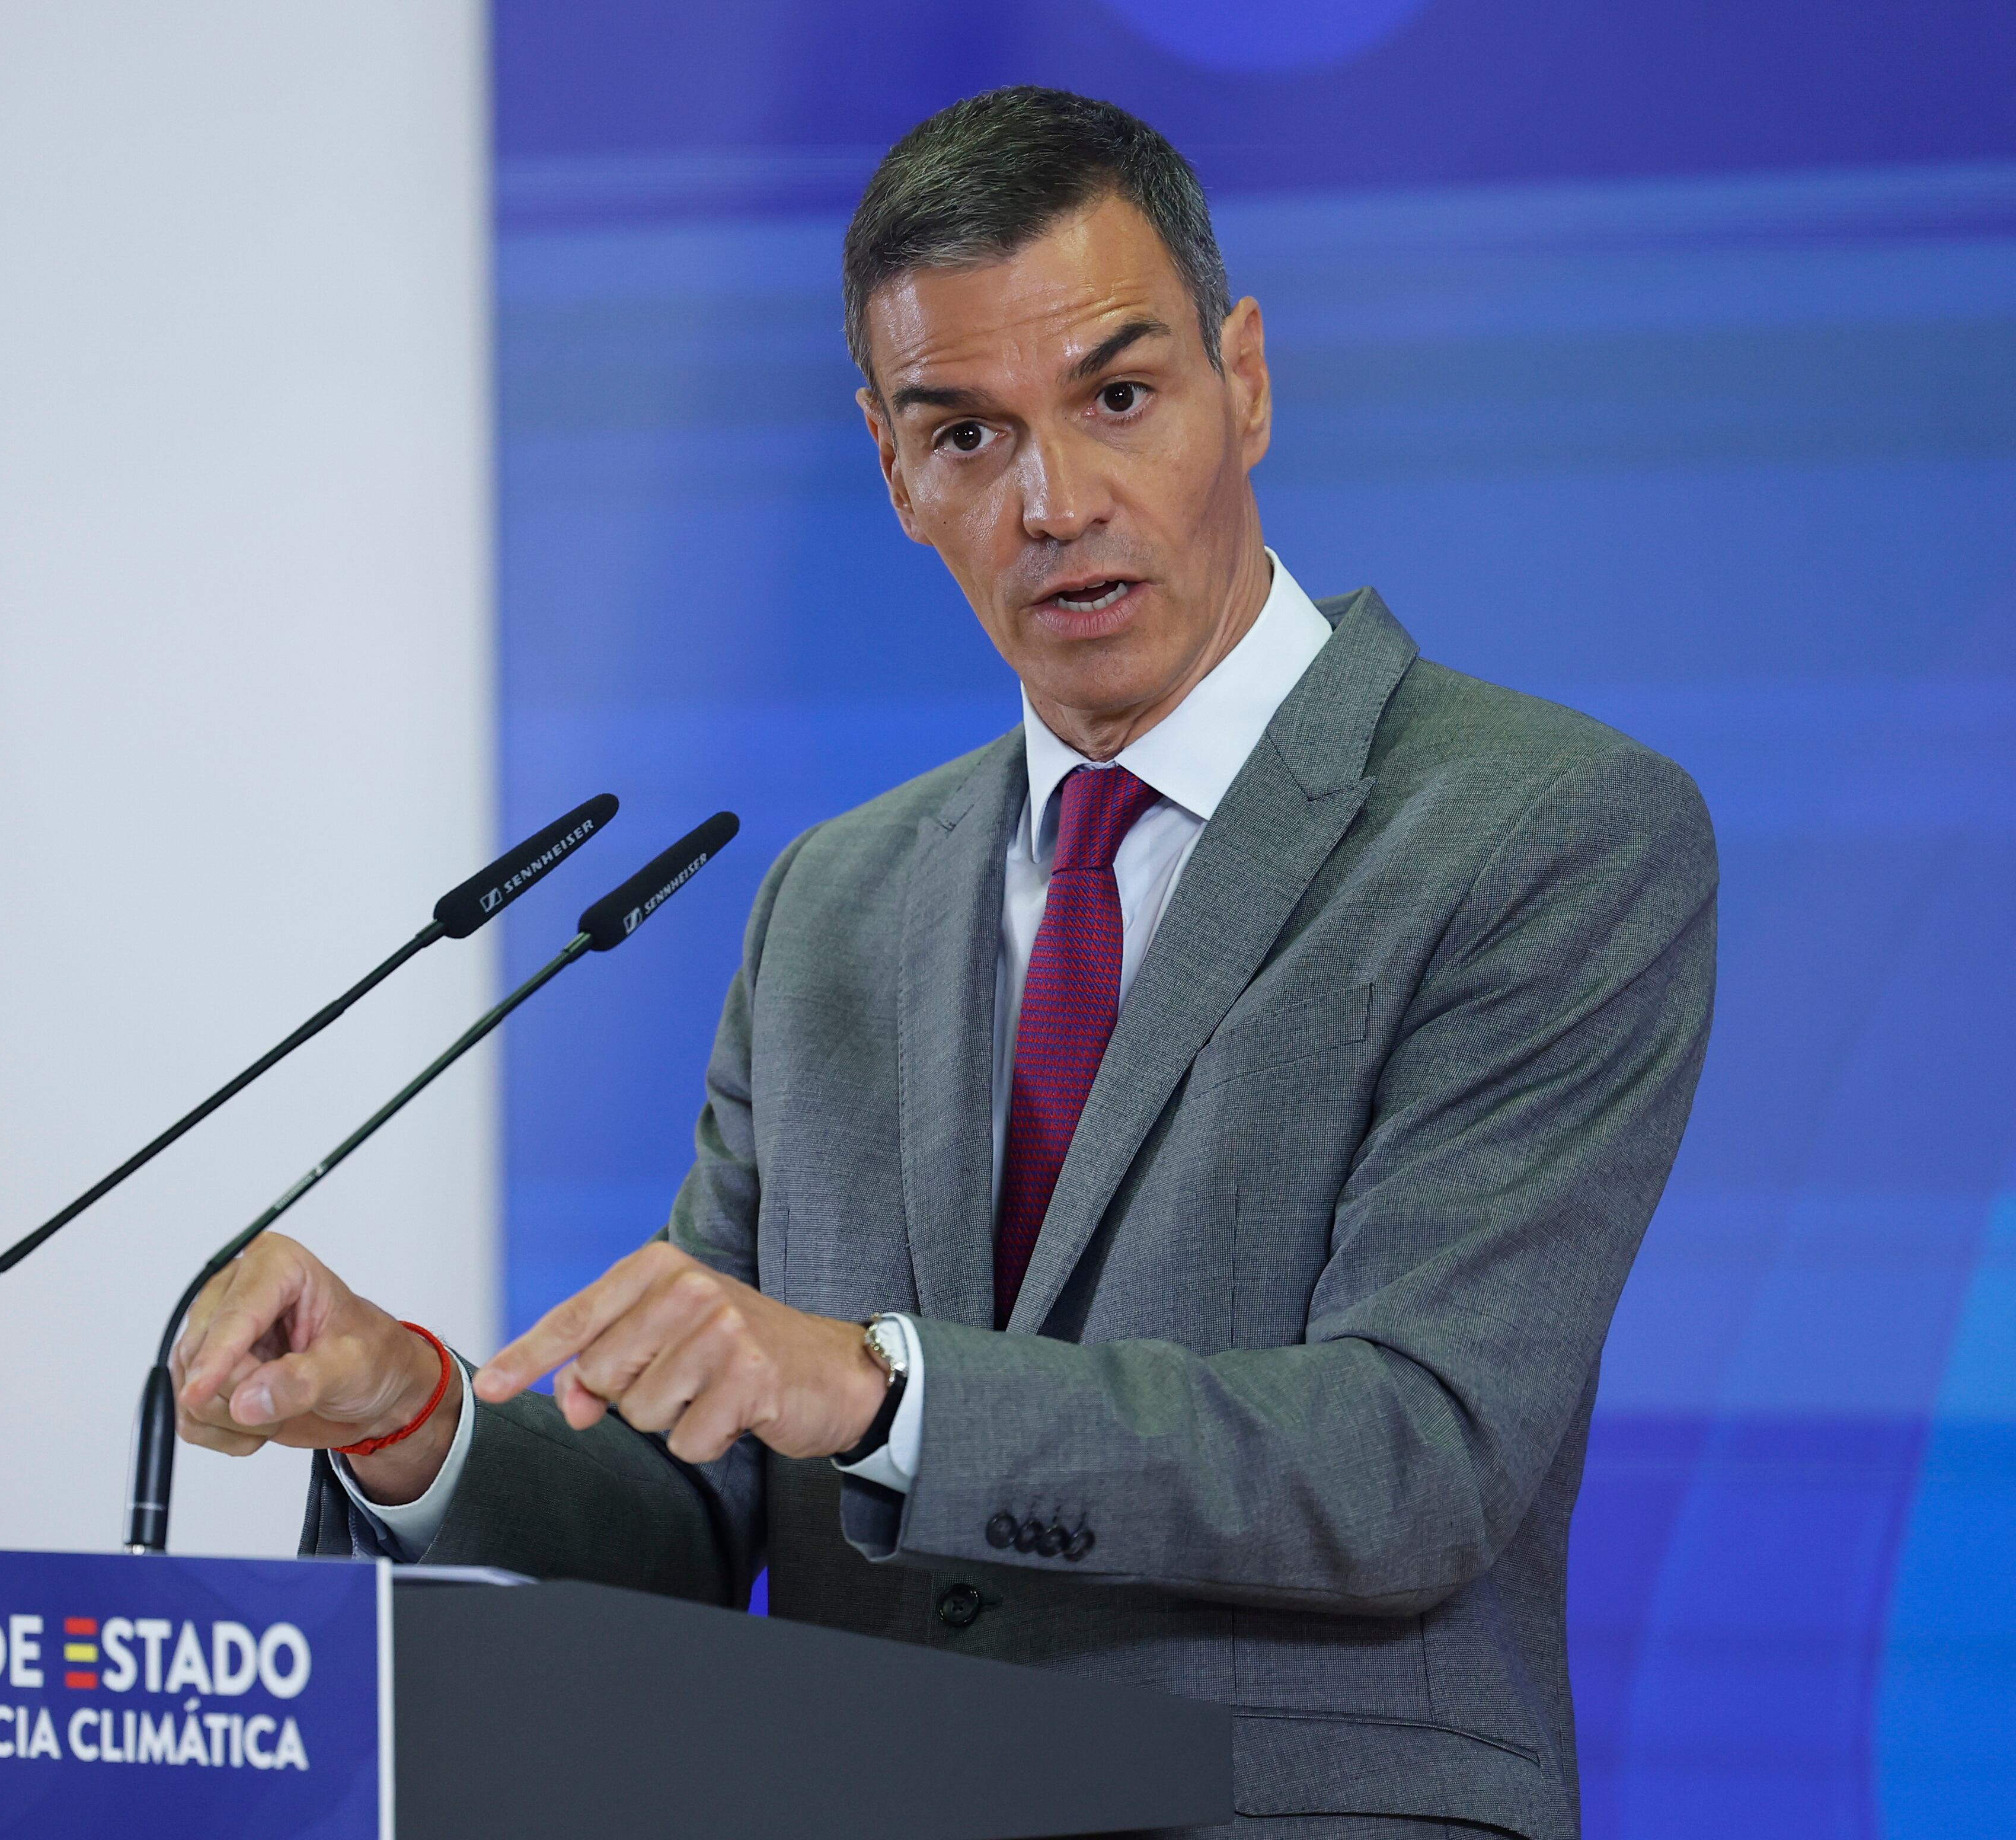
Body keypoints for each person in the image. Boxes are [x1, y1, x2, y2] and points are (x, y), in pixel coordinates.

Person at [171, 86, 1715, 1840]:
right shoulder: (834, 901)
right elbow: (704, 1503)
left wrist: (881, 1387)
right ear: (895, 468)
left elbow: (1412, 1458)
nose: (1054, 501)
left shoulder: (1539, 829)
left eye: (1118, 398)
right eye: (967, 434)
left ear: (1247, 380)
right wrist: (414, 1413)